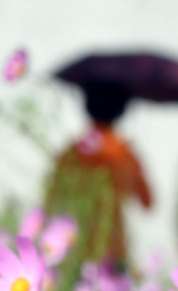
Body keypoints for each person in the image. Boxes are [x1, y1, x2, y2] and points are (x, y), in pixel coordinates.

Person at [46, 81, 153, 270]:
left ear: (86, 106)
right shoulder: (125, 153)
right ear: (122, 109)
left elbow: (50, 200)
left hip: (74, 249)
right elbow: (148, 202)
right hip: (113, 250)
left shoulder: (71, 152)